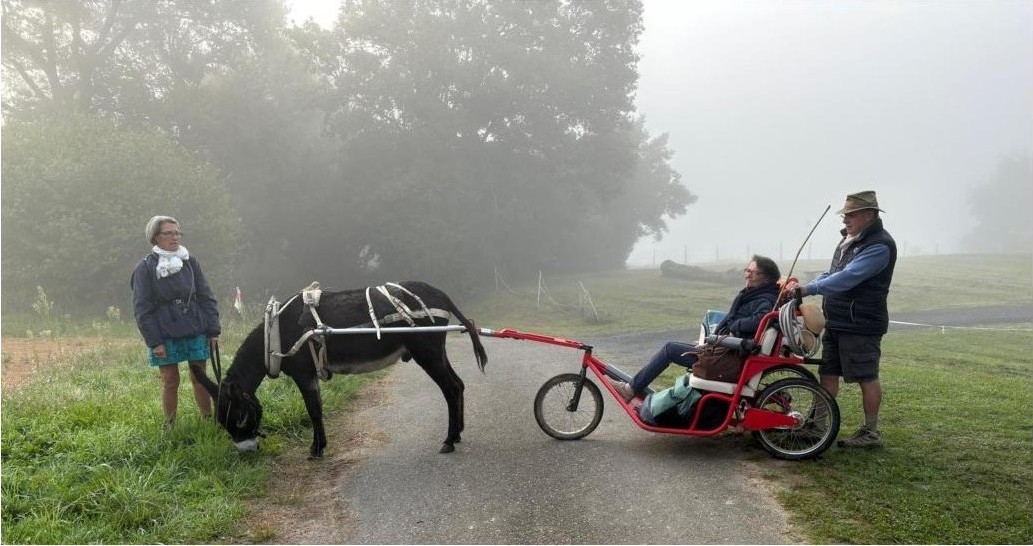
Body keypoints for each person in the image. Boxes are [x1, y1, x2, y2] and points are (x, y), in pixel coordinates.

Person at [786, 190, 896, 448]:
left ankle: (871, 432)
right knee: (829, 372)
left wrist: (808, 290)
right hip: (837, 320)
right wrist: (809, 284)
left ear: (868, 215)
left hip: (861, 323)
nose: (845, 220)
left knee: (865, 376)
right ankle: (817, 426)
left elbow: (848, 277)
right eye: (845, 215)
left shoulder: (879, 245)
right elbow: (834, 272)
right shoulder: (850, 240)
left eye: (851, 215)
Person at [609, 255, 781, 402]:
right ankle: (639, 389)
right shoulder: (756, 295)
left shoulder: (763, 299)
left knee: (670, 349)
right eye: (747, 270)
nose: (747, 275)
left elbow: (760, 320)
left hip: (727, 360)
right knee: (676, 348)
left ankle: (629, 390)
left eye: (753, 272)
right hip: (726, 352)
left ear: (766, 279)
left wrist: (733, 326)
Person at [131, 216, 221, 427]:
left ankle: (209, 422)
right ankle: (169, 425)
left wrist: (213, 330)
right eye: (168, 233)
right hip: (164, 331)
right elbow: (142, 308)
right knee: (170, 380)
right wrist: (155, 341)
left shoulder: (190, 262)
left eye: (177, 233)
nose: (175, 237)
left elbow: (206, 296)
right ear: (155, 237)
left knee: (200, 378)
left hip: (194, 327)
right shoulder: (144, 268)